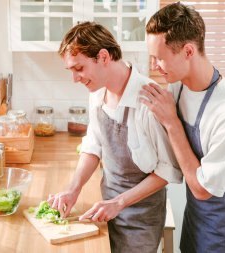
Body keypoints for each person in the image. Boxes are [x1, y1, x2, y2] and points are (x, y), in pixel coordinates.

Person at [47, 21, 182, 253]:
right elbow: (93, 145)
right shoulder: (97, 91)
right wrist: (74, 188)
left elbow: (168, 169)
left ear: (103, 57)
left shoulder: (148, 100)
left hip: (140, 220)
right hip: (105, 208)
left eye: (79, 69)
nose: (75, 79)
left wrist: (119, 202)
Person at [140, 2, 225, 253]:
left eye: (160, 58)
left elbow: (203, 189)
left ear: (188, 51)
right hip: (196, 210)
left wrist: (172, 123)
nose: (155, 67)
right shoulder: (178, 85)